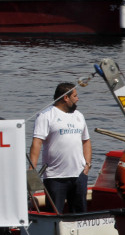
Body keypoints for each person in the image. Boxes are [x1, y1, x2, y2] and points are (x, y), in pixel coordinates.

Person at [29, 82, 92, 214]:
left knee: (80, 214)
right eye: (75, 96)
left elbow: (86, 141)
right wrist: (32, 170)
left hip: (79, 175)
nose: (78, 99)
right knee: (54, 214)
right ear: (65, 98)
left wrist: (87, 165)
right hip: (55, 177)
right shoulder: (46, 116)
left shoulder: (79, 116)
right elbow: (37, 143)